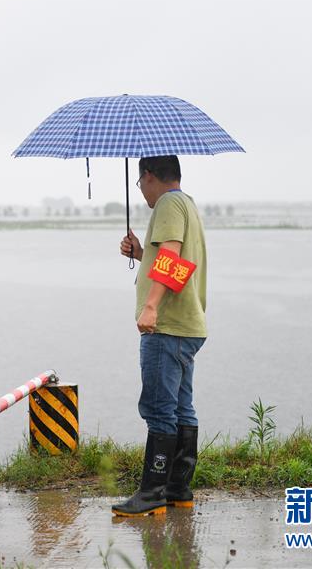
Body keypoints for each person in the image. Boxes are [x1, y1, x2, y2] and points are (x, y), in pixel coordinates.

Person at [111, 155, 208, 517]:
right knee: (182, 406)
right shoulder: (186, 204)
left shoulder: (167, 204)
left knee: (158, 409)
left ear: (149, 176)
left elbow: (171, 255)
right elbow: (177, 264)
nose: (142, 192)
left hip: (166, 326)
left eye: (140, 184)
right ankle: (178, 489)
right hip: (188, 325)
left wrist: (150, 306)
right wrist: (140, 252)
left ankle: (152, 493)